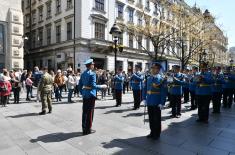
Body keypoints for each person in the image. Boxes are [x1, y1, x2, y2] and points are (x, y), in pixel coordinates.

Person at [78, 59, 107, 135]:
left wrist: (83, 92)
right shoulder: (92, 74)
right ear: (90, 65)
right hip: (91, 95)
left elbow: (80, 85)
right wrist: (102, 86)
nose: (93, 66)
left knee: (84, 112)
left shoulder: (83, 73)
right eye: (93, 64)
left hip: (85, 95)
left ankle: (84, 128)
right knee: (90, 112)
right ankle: (88, 129)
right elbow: (93, 86)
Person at [142, 62, 167, 140]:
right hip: (149, 100)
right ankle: (152, 132)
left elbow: (164, 92)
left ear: (158, 70)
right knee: (151, 118)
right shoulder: (149, 78)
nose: (152, 70)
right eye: (152, 68)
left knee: (157, 118)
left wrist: (162, 103)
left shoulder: (161, 79)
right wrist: (144, 98)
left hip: (157, 101)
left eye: (154, 68)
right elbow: (144, 88)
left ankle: (157, 133)